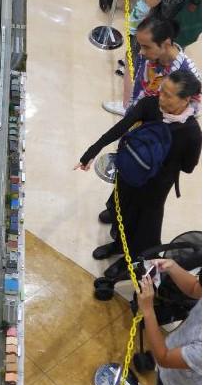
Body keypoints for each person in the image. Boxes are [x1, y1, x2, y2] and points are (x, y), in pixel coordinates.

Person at [75, 70, 202, 281]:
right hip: (130, 173)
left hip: (156, 187)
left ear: (186, 99)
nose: (161, 98)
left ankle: (130, 261)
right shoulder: (150, 105)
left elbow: (189, 167)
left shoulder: (192, 132)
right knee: (122, 209)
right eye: (162, 91)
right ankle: (118, 245)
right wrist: (90, 152)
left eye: (169, 95)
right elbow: (119, 128)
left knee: (144, 224)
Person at [103, 13, 201, 117]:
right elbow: (137, 86)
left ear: (166, 44)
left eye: (147, 47)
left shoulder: (189, 74)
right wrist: (131, 111)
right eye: (141, 46)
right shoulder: (146, 56)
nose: (141, 52)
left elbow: (191, 112)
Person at [114, 0, 163, 78]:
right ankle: (127, 59)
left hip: (138, 34)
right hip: (132, 29)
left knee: (135, 51)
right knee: (130, 47)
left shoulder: (151, 8)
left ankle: (130, 68)